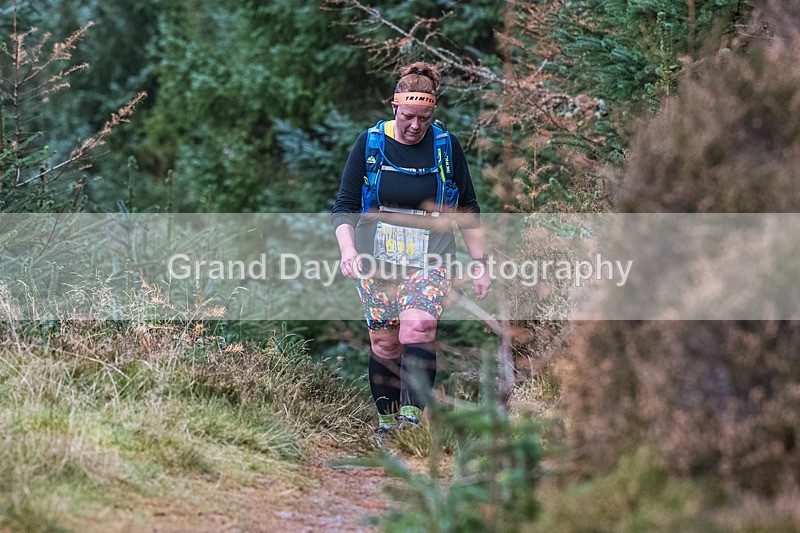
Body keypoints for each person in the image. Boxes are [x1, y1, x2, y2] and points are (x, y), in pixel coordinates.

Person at [331, 61, 490, 440]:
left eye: (424, 117)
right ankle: (386, 425)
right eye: (408, 117)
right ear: (394, 108)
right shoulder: (369, 144)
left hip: (432, 258)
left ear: (433, 111)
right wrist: (348, 251)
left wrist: (480, 263)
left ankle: (412, 419)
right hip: (376, 260)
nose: (415, 125)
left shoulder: (445, 146)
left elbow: (467, 208)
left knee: (418, 328)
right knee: (385, 343)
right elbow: (344, 206)